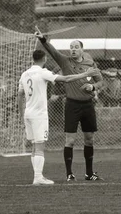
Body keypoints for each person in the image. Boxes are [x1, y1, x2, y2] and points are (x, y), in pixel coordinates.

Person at [18, 49, 100, 185]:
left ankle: (37, 175)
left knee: (34, 146)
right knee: (39, 146)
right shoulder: (43, 72)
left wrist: (22, 114)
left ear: (33, 59)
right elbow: (66, 79)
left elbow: (20, 94)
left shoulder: (24, 74)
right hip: (39, 115)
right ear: (44, 59)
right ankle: (38, 177)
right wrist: (85, 74)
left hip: (28, 113)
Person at [35, 31, 105, 181]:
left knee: (89, 139)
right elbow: (52, 51)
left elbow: (100, 82)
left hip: (88, 105)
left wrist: (92, 87)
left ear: (82, 50)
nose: (72, 49)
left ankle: (89, 173)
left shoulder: (90, 63)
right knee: (70, 140)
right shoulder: (65, 61)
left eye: (75, 47)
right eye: (71, 47)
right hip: (72, 105)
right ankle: (69, 174)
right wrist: (43, 39)